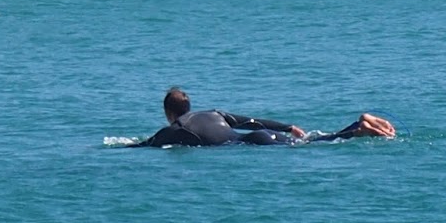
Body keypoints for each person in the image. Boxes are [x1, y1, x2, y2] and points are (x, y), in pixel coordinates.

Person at [137, 87, 396, 148]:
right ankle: (357, 127)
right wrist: (288, 126)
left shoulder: (176, 129)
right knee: (313, 143)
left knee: (312, 149)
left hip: (253, 144)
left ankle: (360, 128)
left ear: (168, 113)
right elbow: (251, 121)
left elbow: (142, 146)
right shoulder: (213, 113)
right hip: (260, 135)